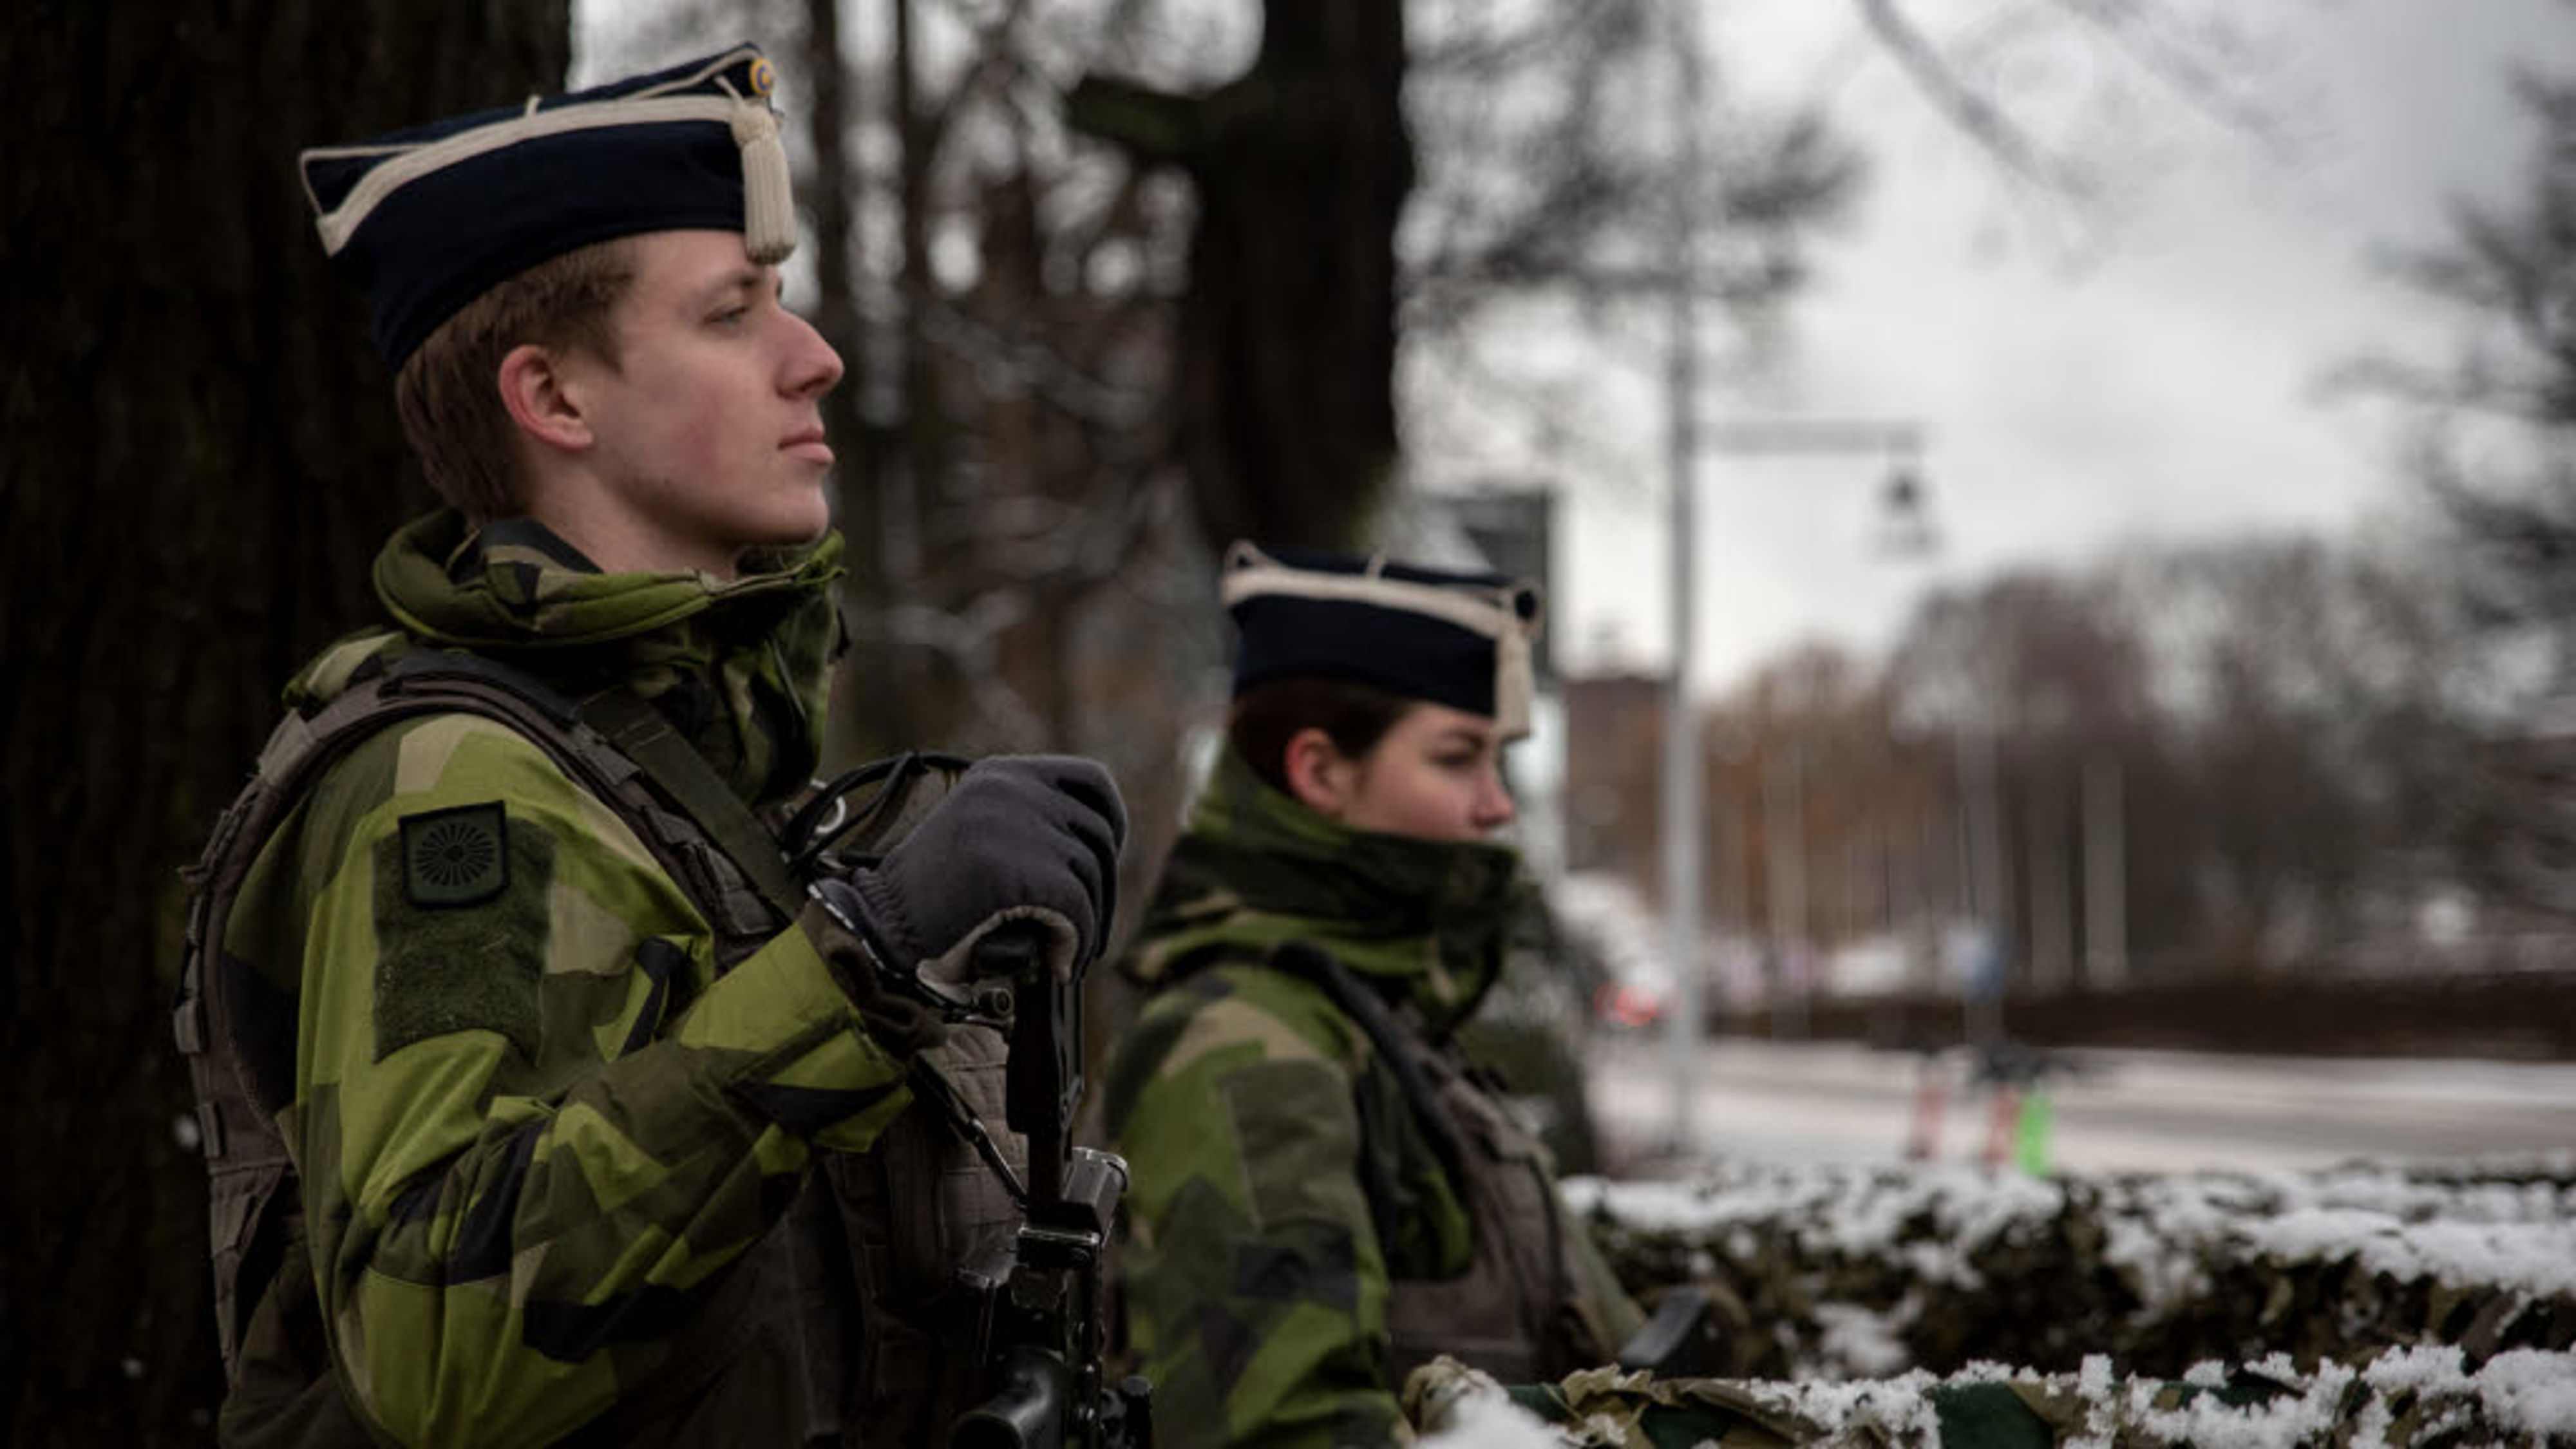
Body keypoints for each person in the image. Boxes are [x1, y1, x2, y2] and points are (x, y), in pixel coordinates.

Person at [173, 45, 1126, 1447]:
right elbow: (444, 1347)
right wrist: (857, 961)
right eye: (732, 315)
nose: (814, 357)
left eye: (780, 303)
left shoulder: (684, 775)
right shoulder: (455, 793)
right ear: (556, 401)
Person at [1101, 541, 1645, 1448]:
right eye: (1457, 757)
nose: (1497, 803)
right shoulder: (1250, 1050)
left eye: (1496, 759)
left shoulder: (1362, 1015)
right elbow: (1284, 1432)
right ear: (1321, 773)